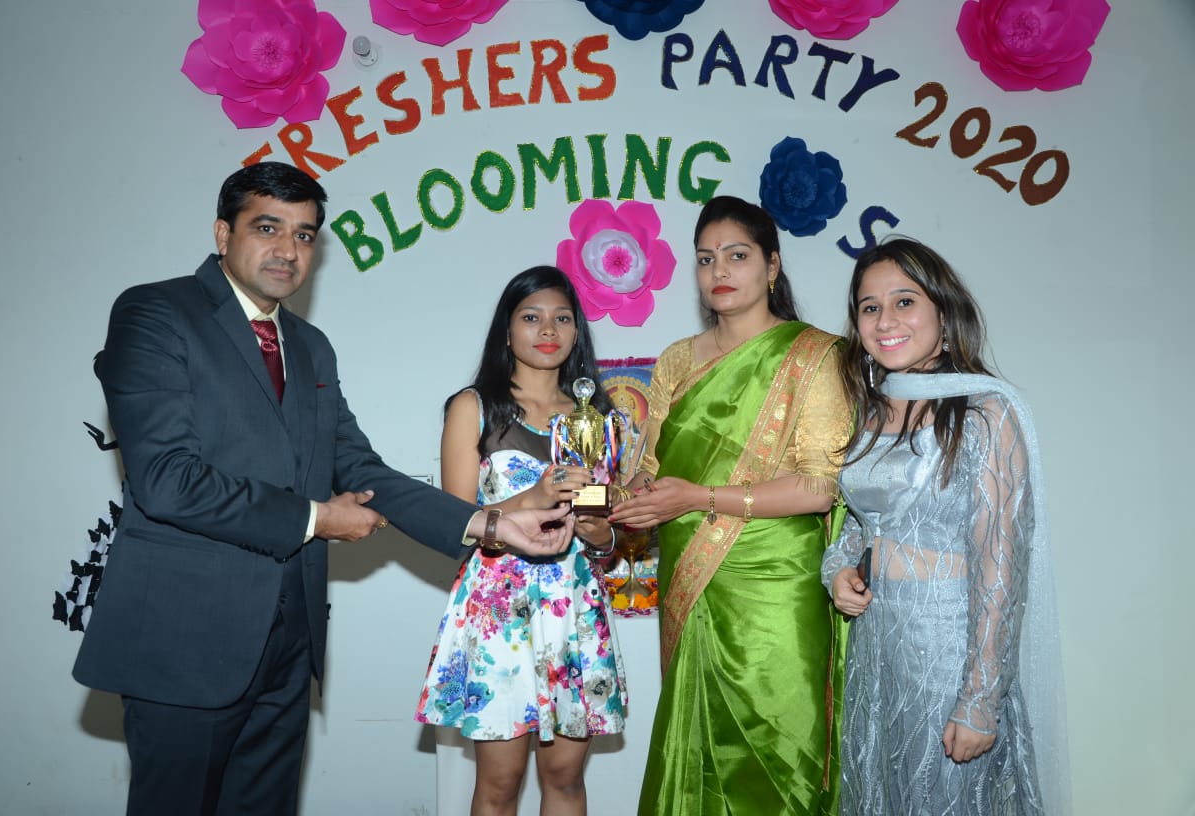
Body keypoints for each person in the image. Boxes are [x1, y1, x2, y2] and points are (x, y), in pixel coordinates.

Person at [72, 162, 574, 816]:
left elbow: (361, 469)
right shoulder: (157, 312)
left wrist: (490, 525)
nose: (288, 249)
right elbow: (168, 480)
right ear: (223, 234)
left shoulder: (310, 346)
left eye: (305, 235)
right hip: (185, 639)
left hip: (289, 644)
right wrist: (315, 519)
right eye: (268, 228)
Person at [610, 195, 852, 815]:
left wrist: (698, 498)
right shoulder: (677, 359)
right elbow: (651, 471)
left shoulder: (816, 355)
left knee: (781, 749)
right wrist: (608, 497)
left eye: (737, 256)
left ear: (772, 265)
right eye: (705, 258)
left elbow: (818, 488)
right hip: (692, 579)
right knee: (700, 746)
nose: (719, 270)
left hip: (777, 582)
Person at [821, 237, 1070, 815]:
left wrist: (980, 697)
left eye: (904, 301)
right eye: (869, 307)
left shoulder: (984, 410)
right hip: (877, 651)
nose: (885, 320)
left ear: (944, 312)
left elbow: (1000, 562)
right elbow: (861, 524)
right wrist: (836, 571)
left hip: (947, 650)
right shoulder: (871, 408)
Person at [416, 266, 628, 816]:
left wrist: (599, 532)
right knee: (499, 784)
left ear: (578, 331)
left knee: (565, 778)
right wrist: (533, 497)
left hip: (574, 607)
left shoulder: (596, 417)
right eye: (531, 317)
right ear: (506, 332)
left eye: (563, 318)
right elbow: (454, 520)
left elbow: (604, 531)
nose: (548, 330)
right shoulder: (474, 407)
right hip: (500, 610)